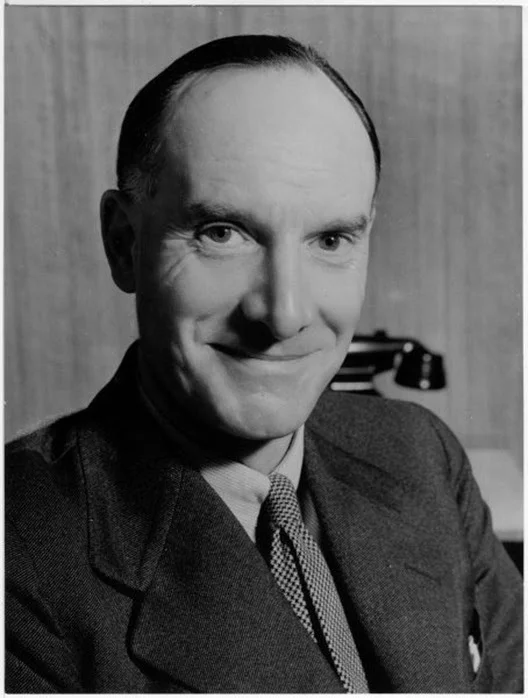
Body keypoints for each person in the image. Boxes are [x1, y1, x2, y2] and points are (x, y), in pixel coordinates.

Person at [5, 34, 522, 694]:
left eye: (330, 239)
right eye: (222, 233)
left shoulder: (422, 456)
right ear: (124, 243)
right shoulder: (17, 558)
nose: (284, 314)